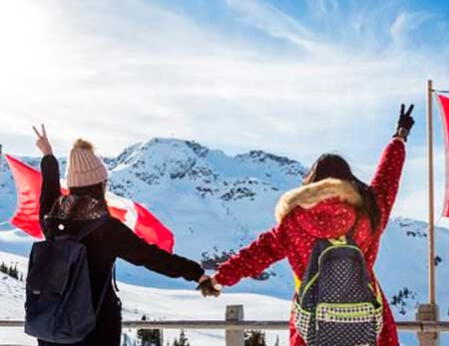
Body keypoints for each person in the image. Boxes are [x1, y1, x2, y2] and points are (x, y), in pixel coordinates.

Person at [203, 104, 415, 346]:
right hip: (366, 319)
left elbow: (255, 255)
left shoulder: (293, 222)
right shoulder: (370, 211)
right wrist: (399, 137)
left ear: (310, 183)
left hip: (313, 323)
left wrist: (217, 280)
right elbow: (388, 177)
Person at [32, 125, 209, 346]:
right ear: (99, 184)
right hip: (95, 329)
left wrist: (48, 156)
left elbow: (48, 191)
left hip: (53, 328)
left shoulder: (52, 220)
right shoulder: (106, 229)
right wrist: (196, 273)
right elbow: (152, 257)